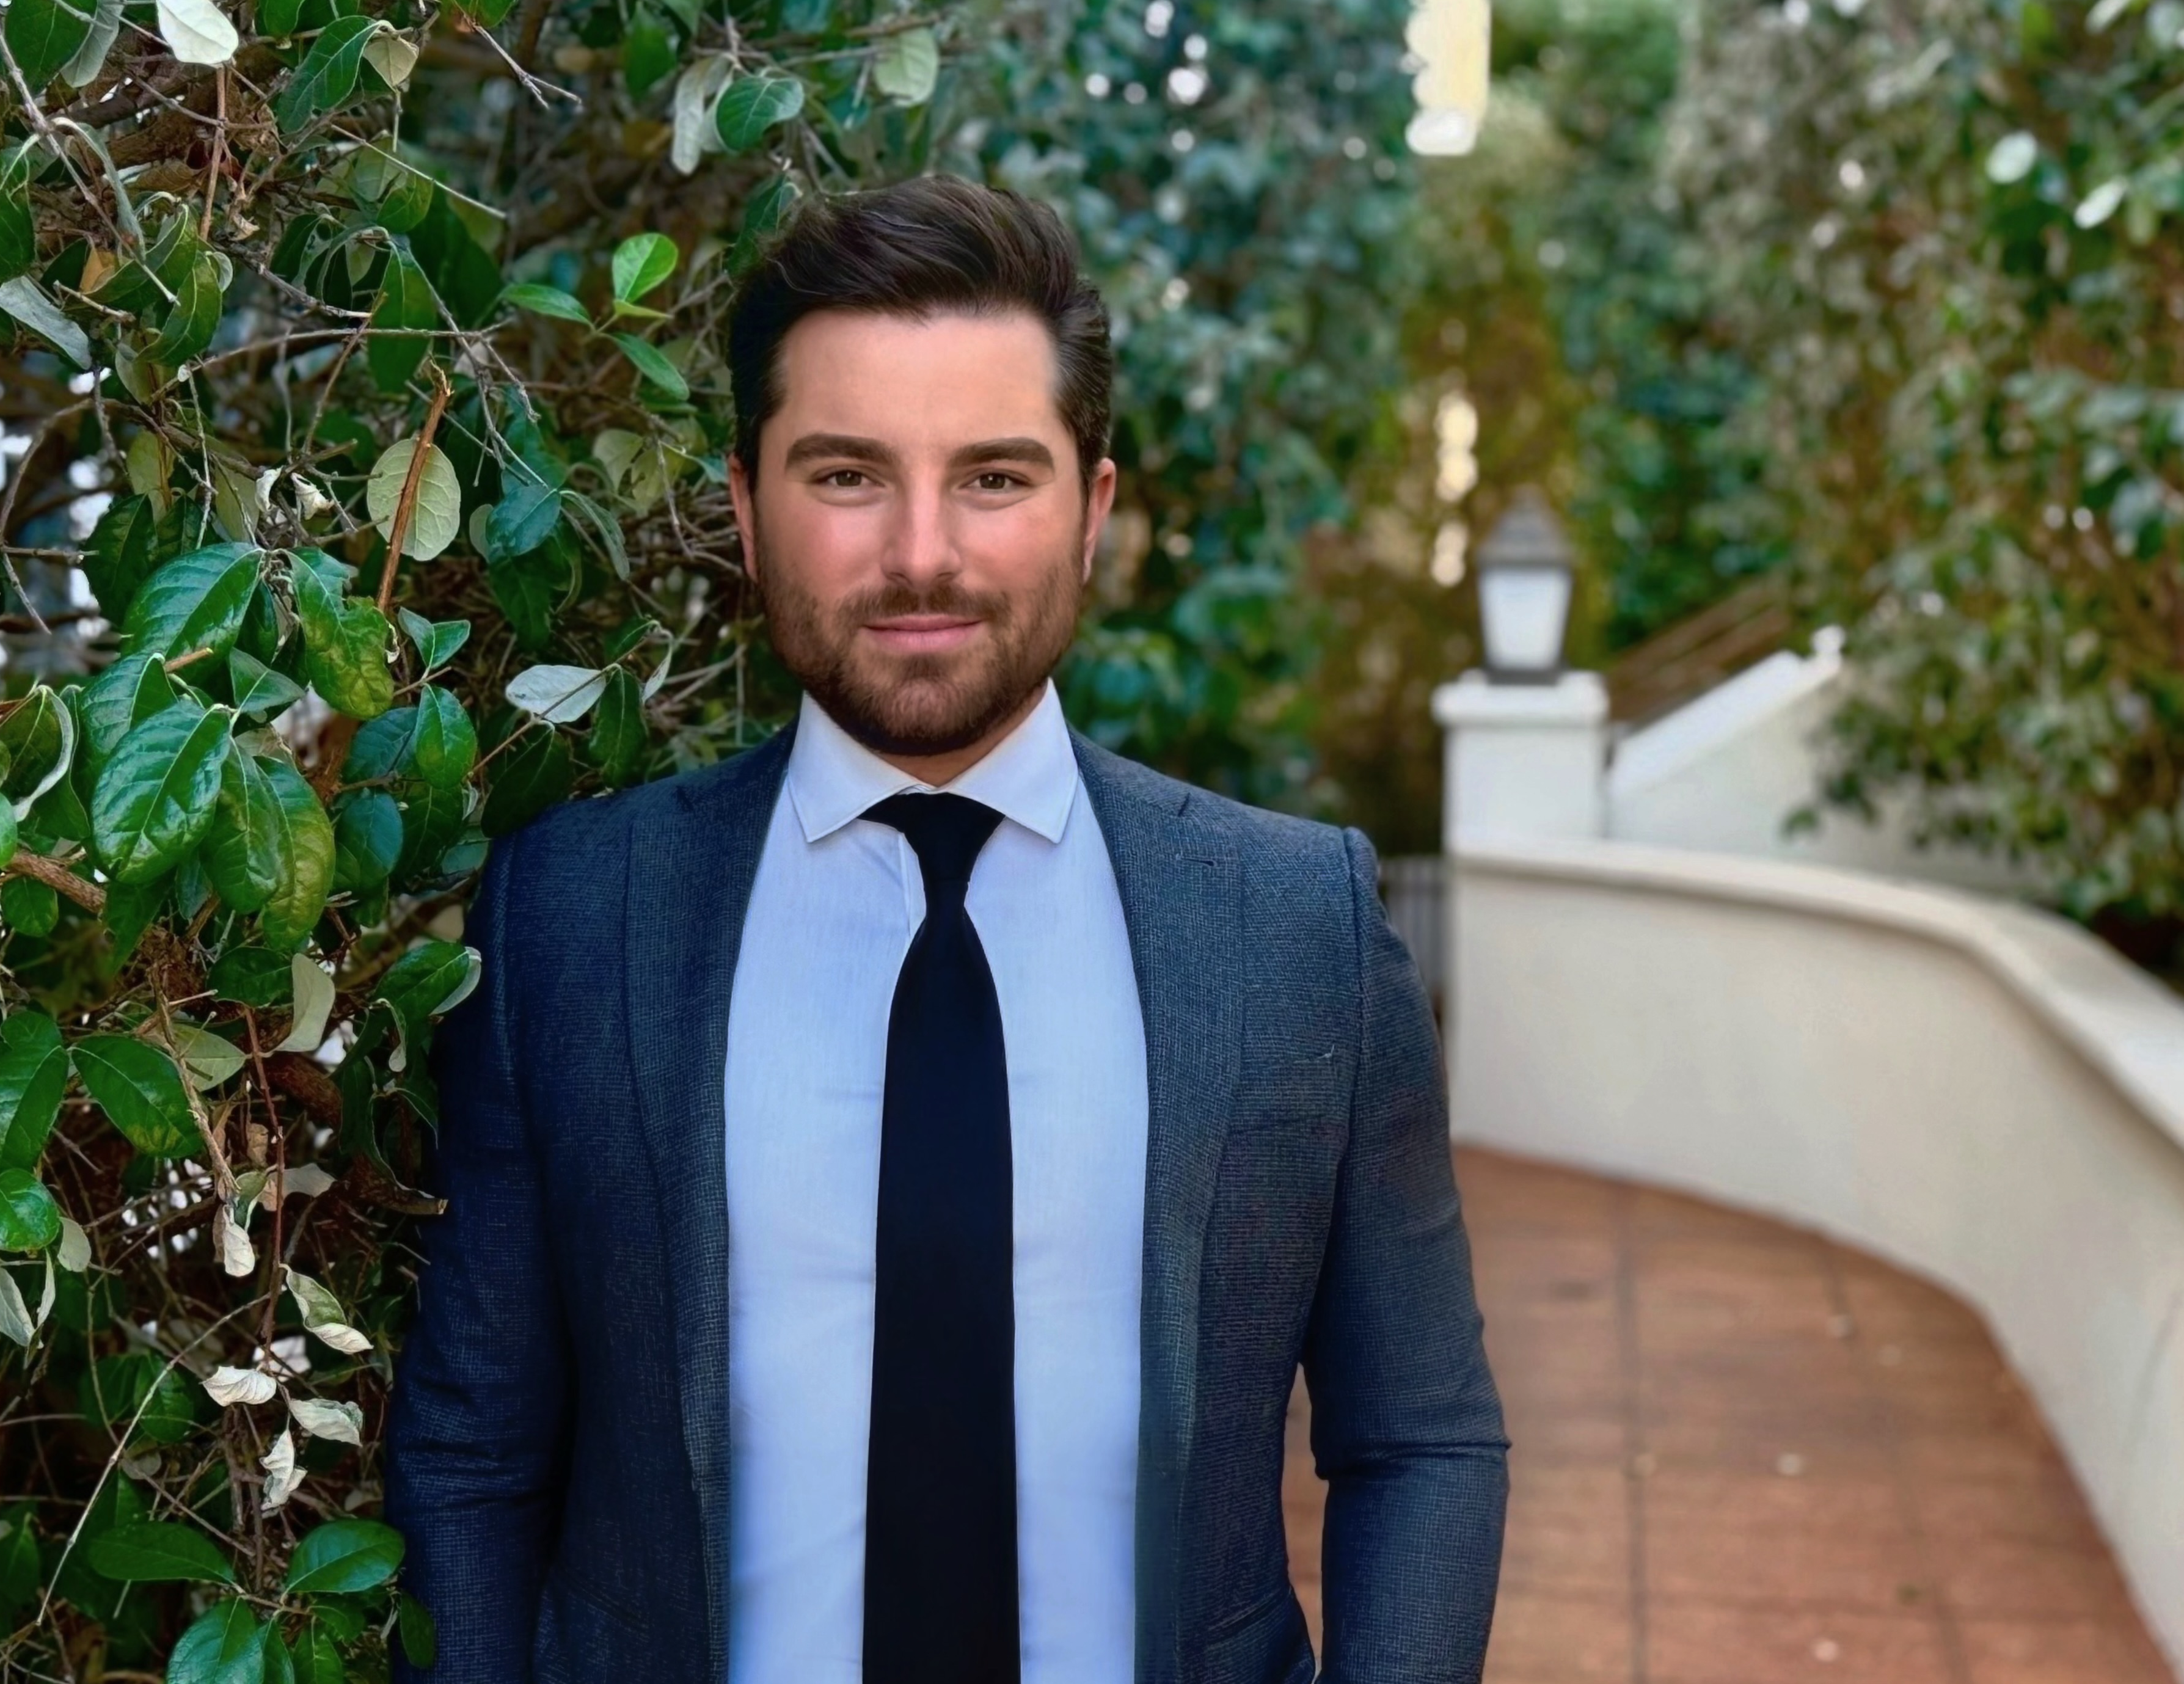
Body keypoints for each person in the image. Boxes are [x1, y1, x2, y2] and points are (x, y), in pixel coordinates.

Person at [383, 174, 1508, 1684]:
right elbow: (471, 1456)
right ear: (745, 499)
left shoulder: (1292, 929)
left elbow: (1422, 1438)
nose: (923, 554)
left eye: (994, 477)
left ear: (1093, 508)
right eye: (848, 475)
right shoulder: (572, 920)